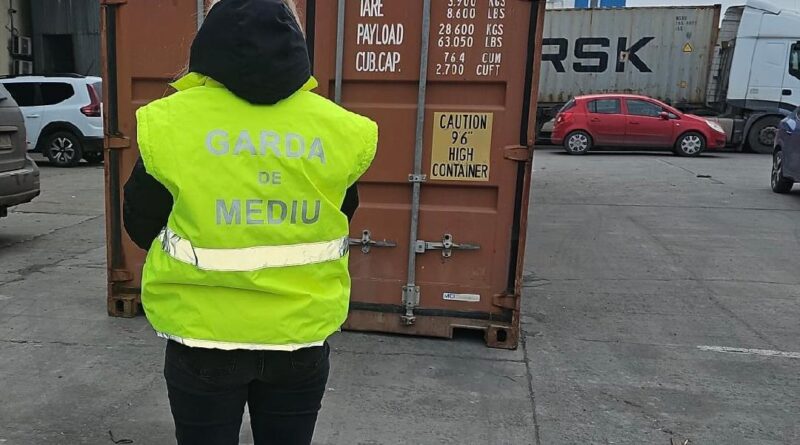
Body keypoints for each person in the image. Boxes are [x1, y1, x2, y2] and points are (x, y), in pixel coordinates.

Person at [122, 0, 378, 443]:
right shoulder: (337, 128)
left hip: (203, 336)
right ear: (295, 45)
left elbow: (141, 222)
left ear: (207, 43)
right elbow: (342, 212)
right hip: (298, 335)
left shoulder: (171, 123)